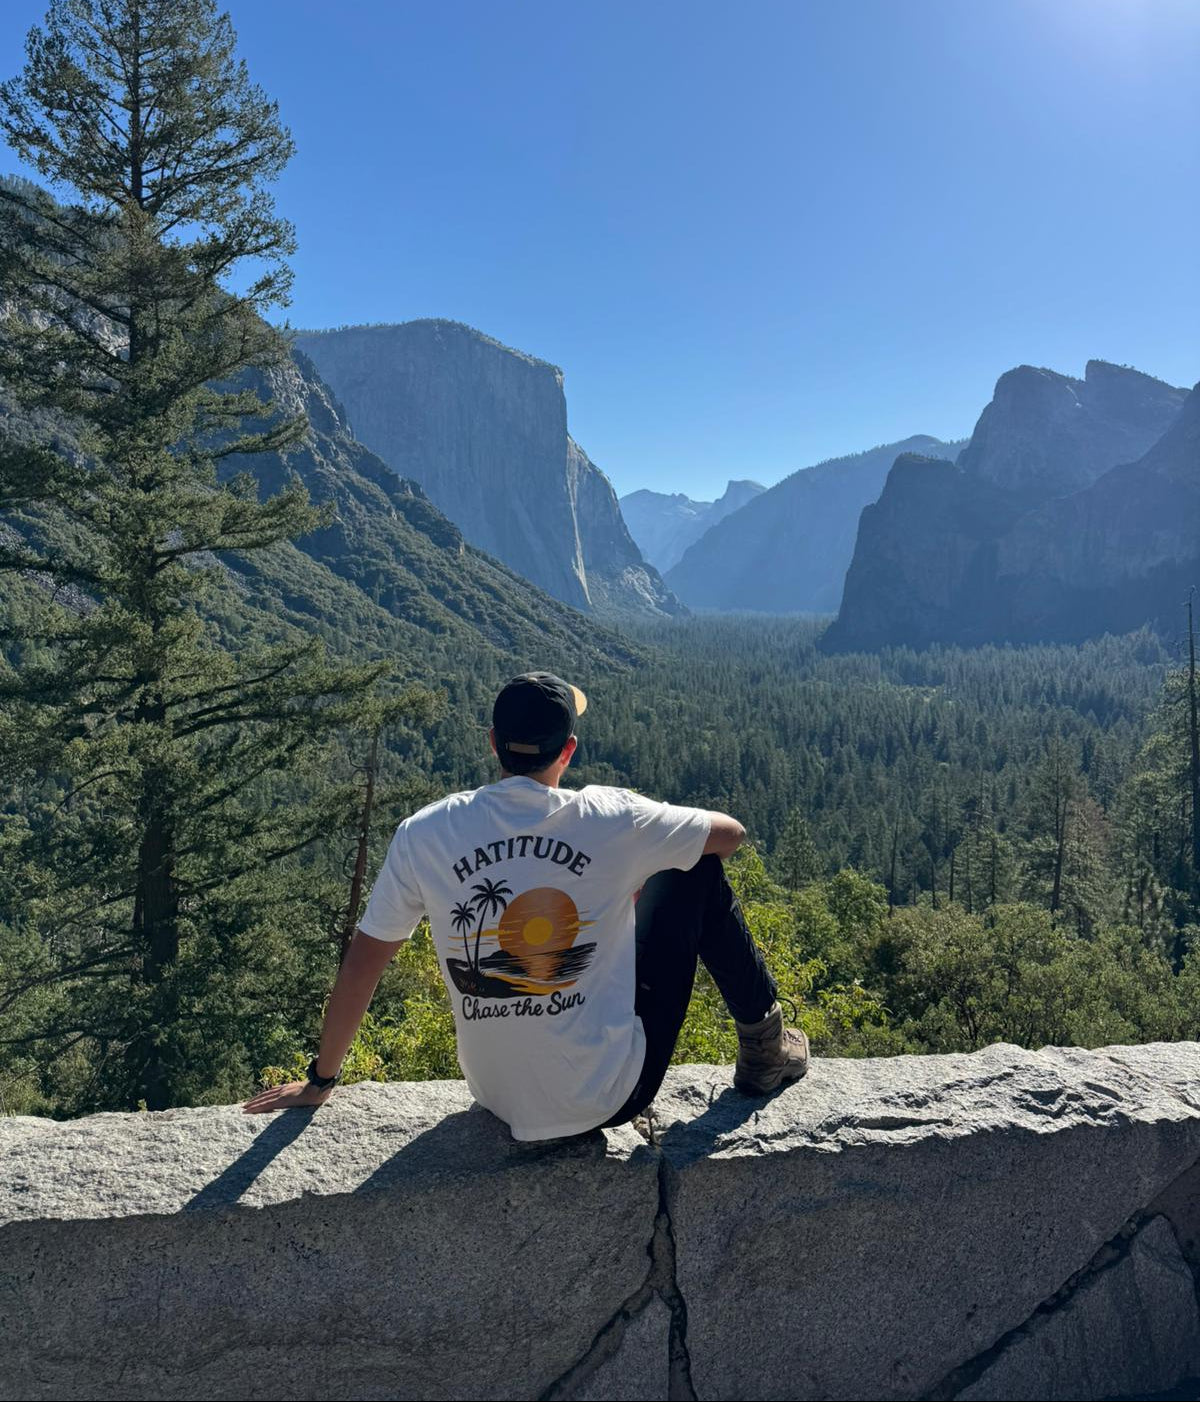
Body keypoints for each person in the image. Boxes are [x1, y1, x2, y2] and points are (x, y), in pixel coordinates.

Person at [245, 672, 808, 1137]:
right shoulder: (611, 816)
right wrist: (637, 866)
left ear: (492, 743)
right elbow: (730, 835)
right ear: (569, 750)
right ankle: (765, 1048)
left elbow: (363, 962)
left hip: (496, 1097)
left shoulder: (424, 832)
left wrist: (321, 1079)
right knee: (696, 866)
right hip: (609, 1098)